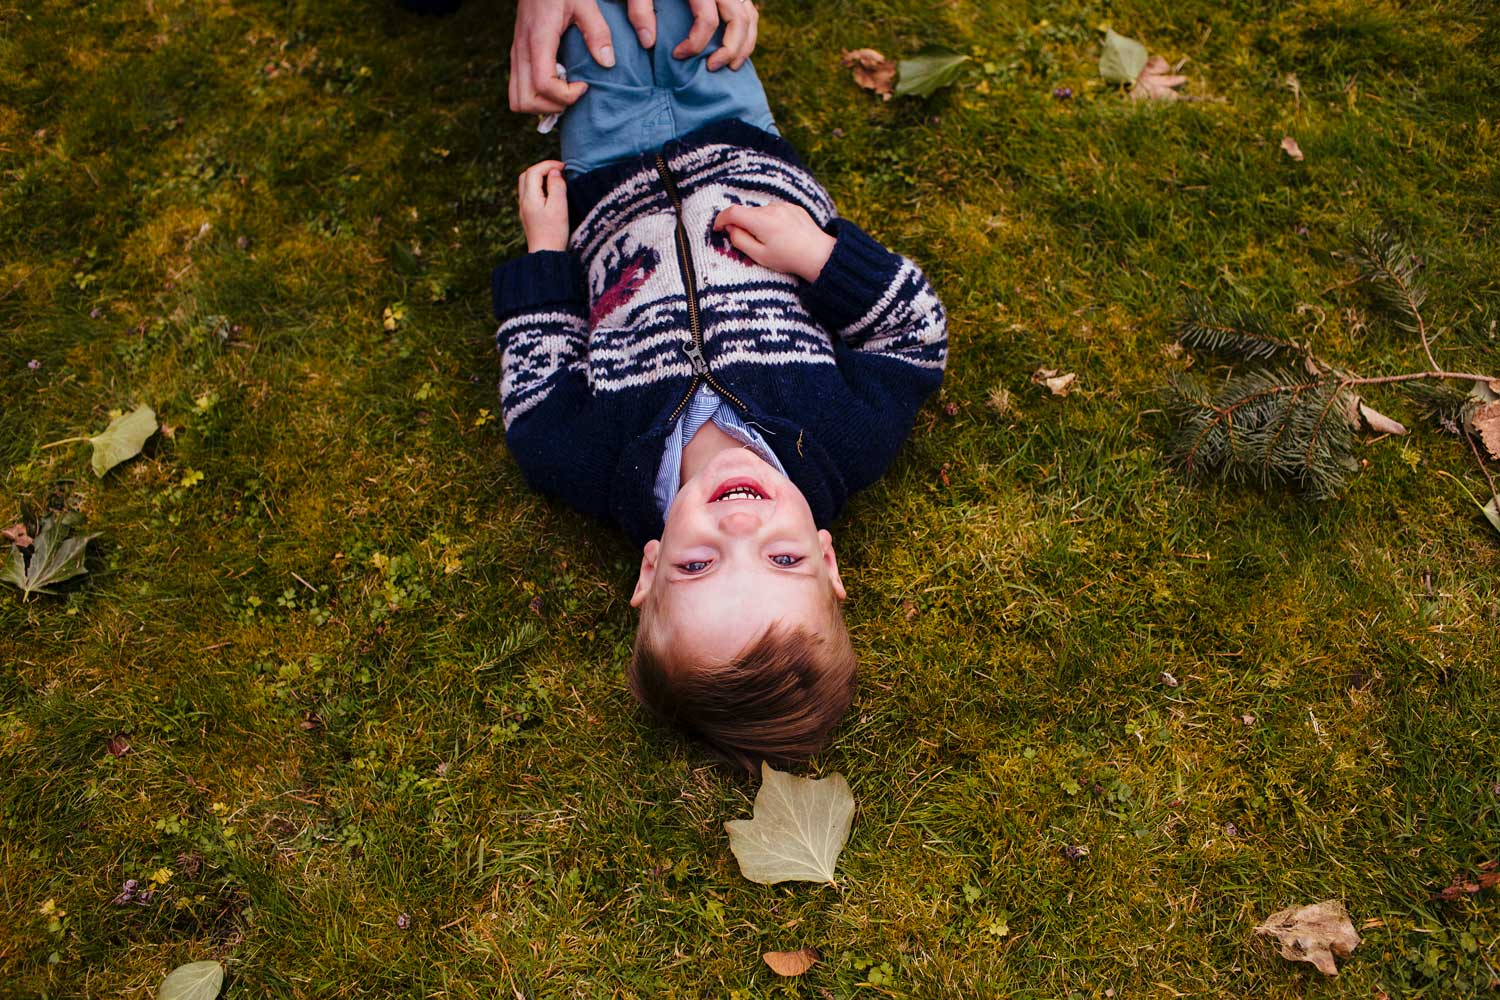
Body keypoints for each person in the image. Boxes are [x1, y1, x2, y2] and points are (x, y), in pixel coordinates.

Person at [491, 0, 948, 771]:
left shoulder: (587, 461)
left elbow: (539, 388)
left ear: (648, 570)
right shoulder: (844, 436)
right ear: (828, 560)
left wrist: (546, 250)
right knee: (687, 18)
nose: (741, 531)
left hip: (603, 174)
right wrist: (818, 255)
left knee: (600, 29)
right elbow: (913, 337)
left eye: (698, 567)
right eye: (784, 561)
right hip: (742, 140)